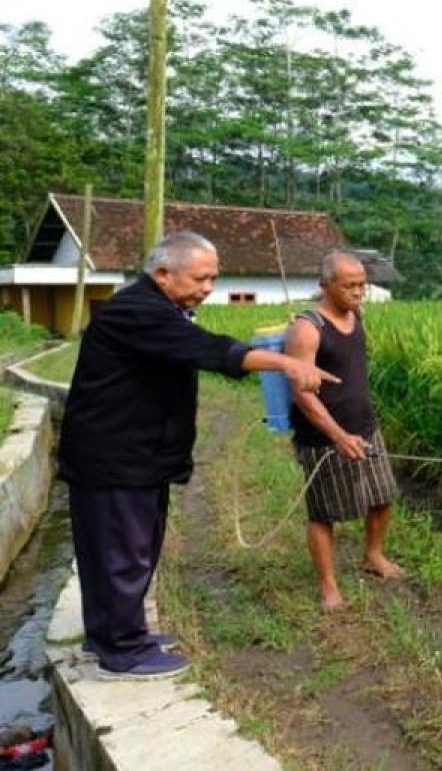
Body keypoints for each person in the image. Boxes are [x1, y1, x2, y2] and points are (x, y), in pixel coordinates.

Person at [58, 231, 337, 682]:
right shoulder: (139, 312)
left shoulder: (161, 308)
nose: (208, 288)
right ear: (163, 274)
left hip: (133, 455)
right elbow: (209, 350)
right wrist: (287, 363)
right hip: (115, 458)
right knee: (122, 553)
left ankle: (112, 633)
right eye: (201, 278)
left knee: (128, 548)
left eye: (214, 278)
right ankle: (124, 650)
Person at [286, 251, 402, 613]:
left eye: (362, 284)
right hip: (323, 438)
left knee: (383, 497)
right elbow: (302, 394)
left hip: (365, 427)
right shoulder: (307, 328)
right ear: (325, 285)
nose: (358, 291)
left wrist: (357, 429)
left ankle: (373, 555)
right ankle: (328, 586)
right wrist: (337, 436)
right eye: (349, 285)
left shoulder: (357, 315)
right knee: (324, 513)